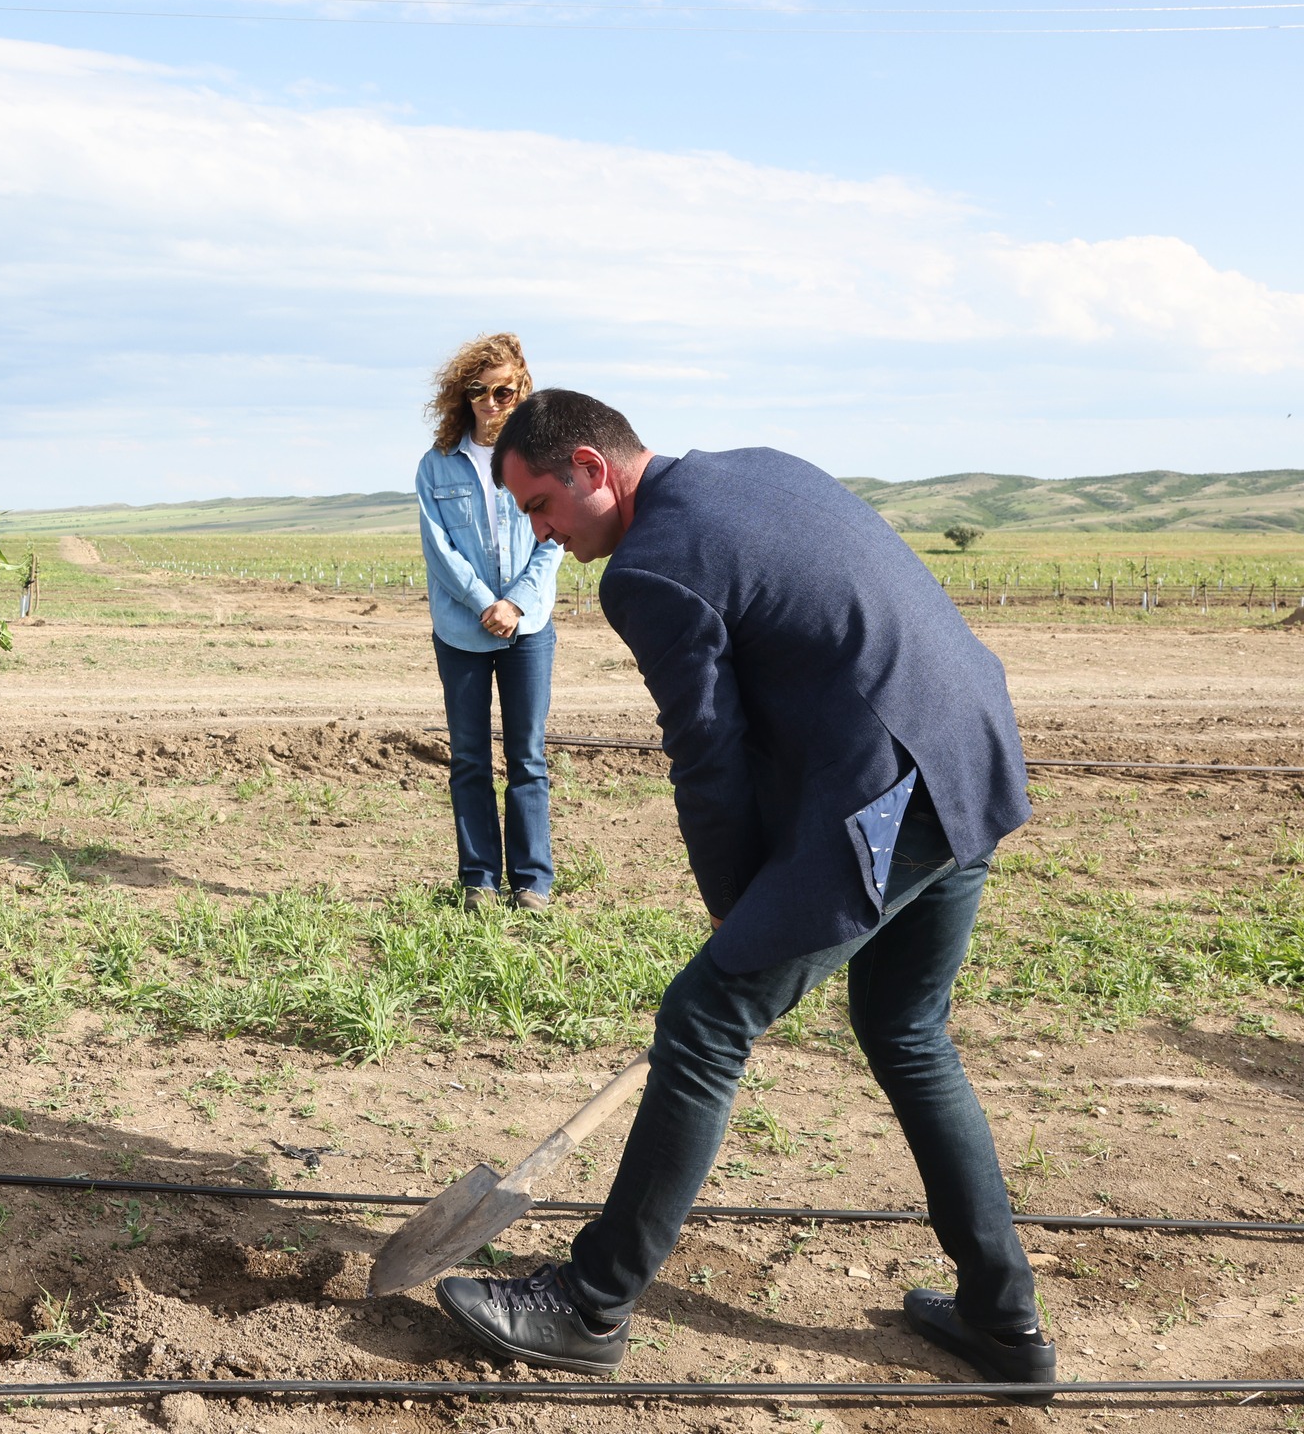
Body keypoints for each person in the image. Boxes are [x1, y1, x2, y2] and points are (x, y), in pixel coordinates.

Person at [433, 389, 1054, 1397]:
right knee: (905, 1030)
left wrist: (732, 899)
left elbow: (708, 754)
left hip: (892, 794)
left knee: (704, 1020)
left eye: (540, 506)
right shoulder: (754, 468)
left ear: (591, 468)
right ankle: (1002, 1319)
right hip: (969, 752)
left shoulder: (648, 569)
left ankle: (589, 1307)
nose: (539, 534)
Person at [415, 335, 564, 911]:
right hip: (462, 629)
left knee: (527, 757)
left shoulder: (541, 460)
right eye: (479, 391)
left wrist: (516, 603)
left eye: (504, 391)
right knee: (469, 757)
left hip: (529, 627)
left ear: (521, 390)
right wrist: (486, 603)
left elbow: (553, 539)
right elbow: (439, 549)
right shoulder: (436, 465)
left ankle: (532, 883)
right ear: (463, 394)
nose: (492, 402)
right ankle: (478, 880)